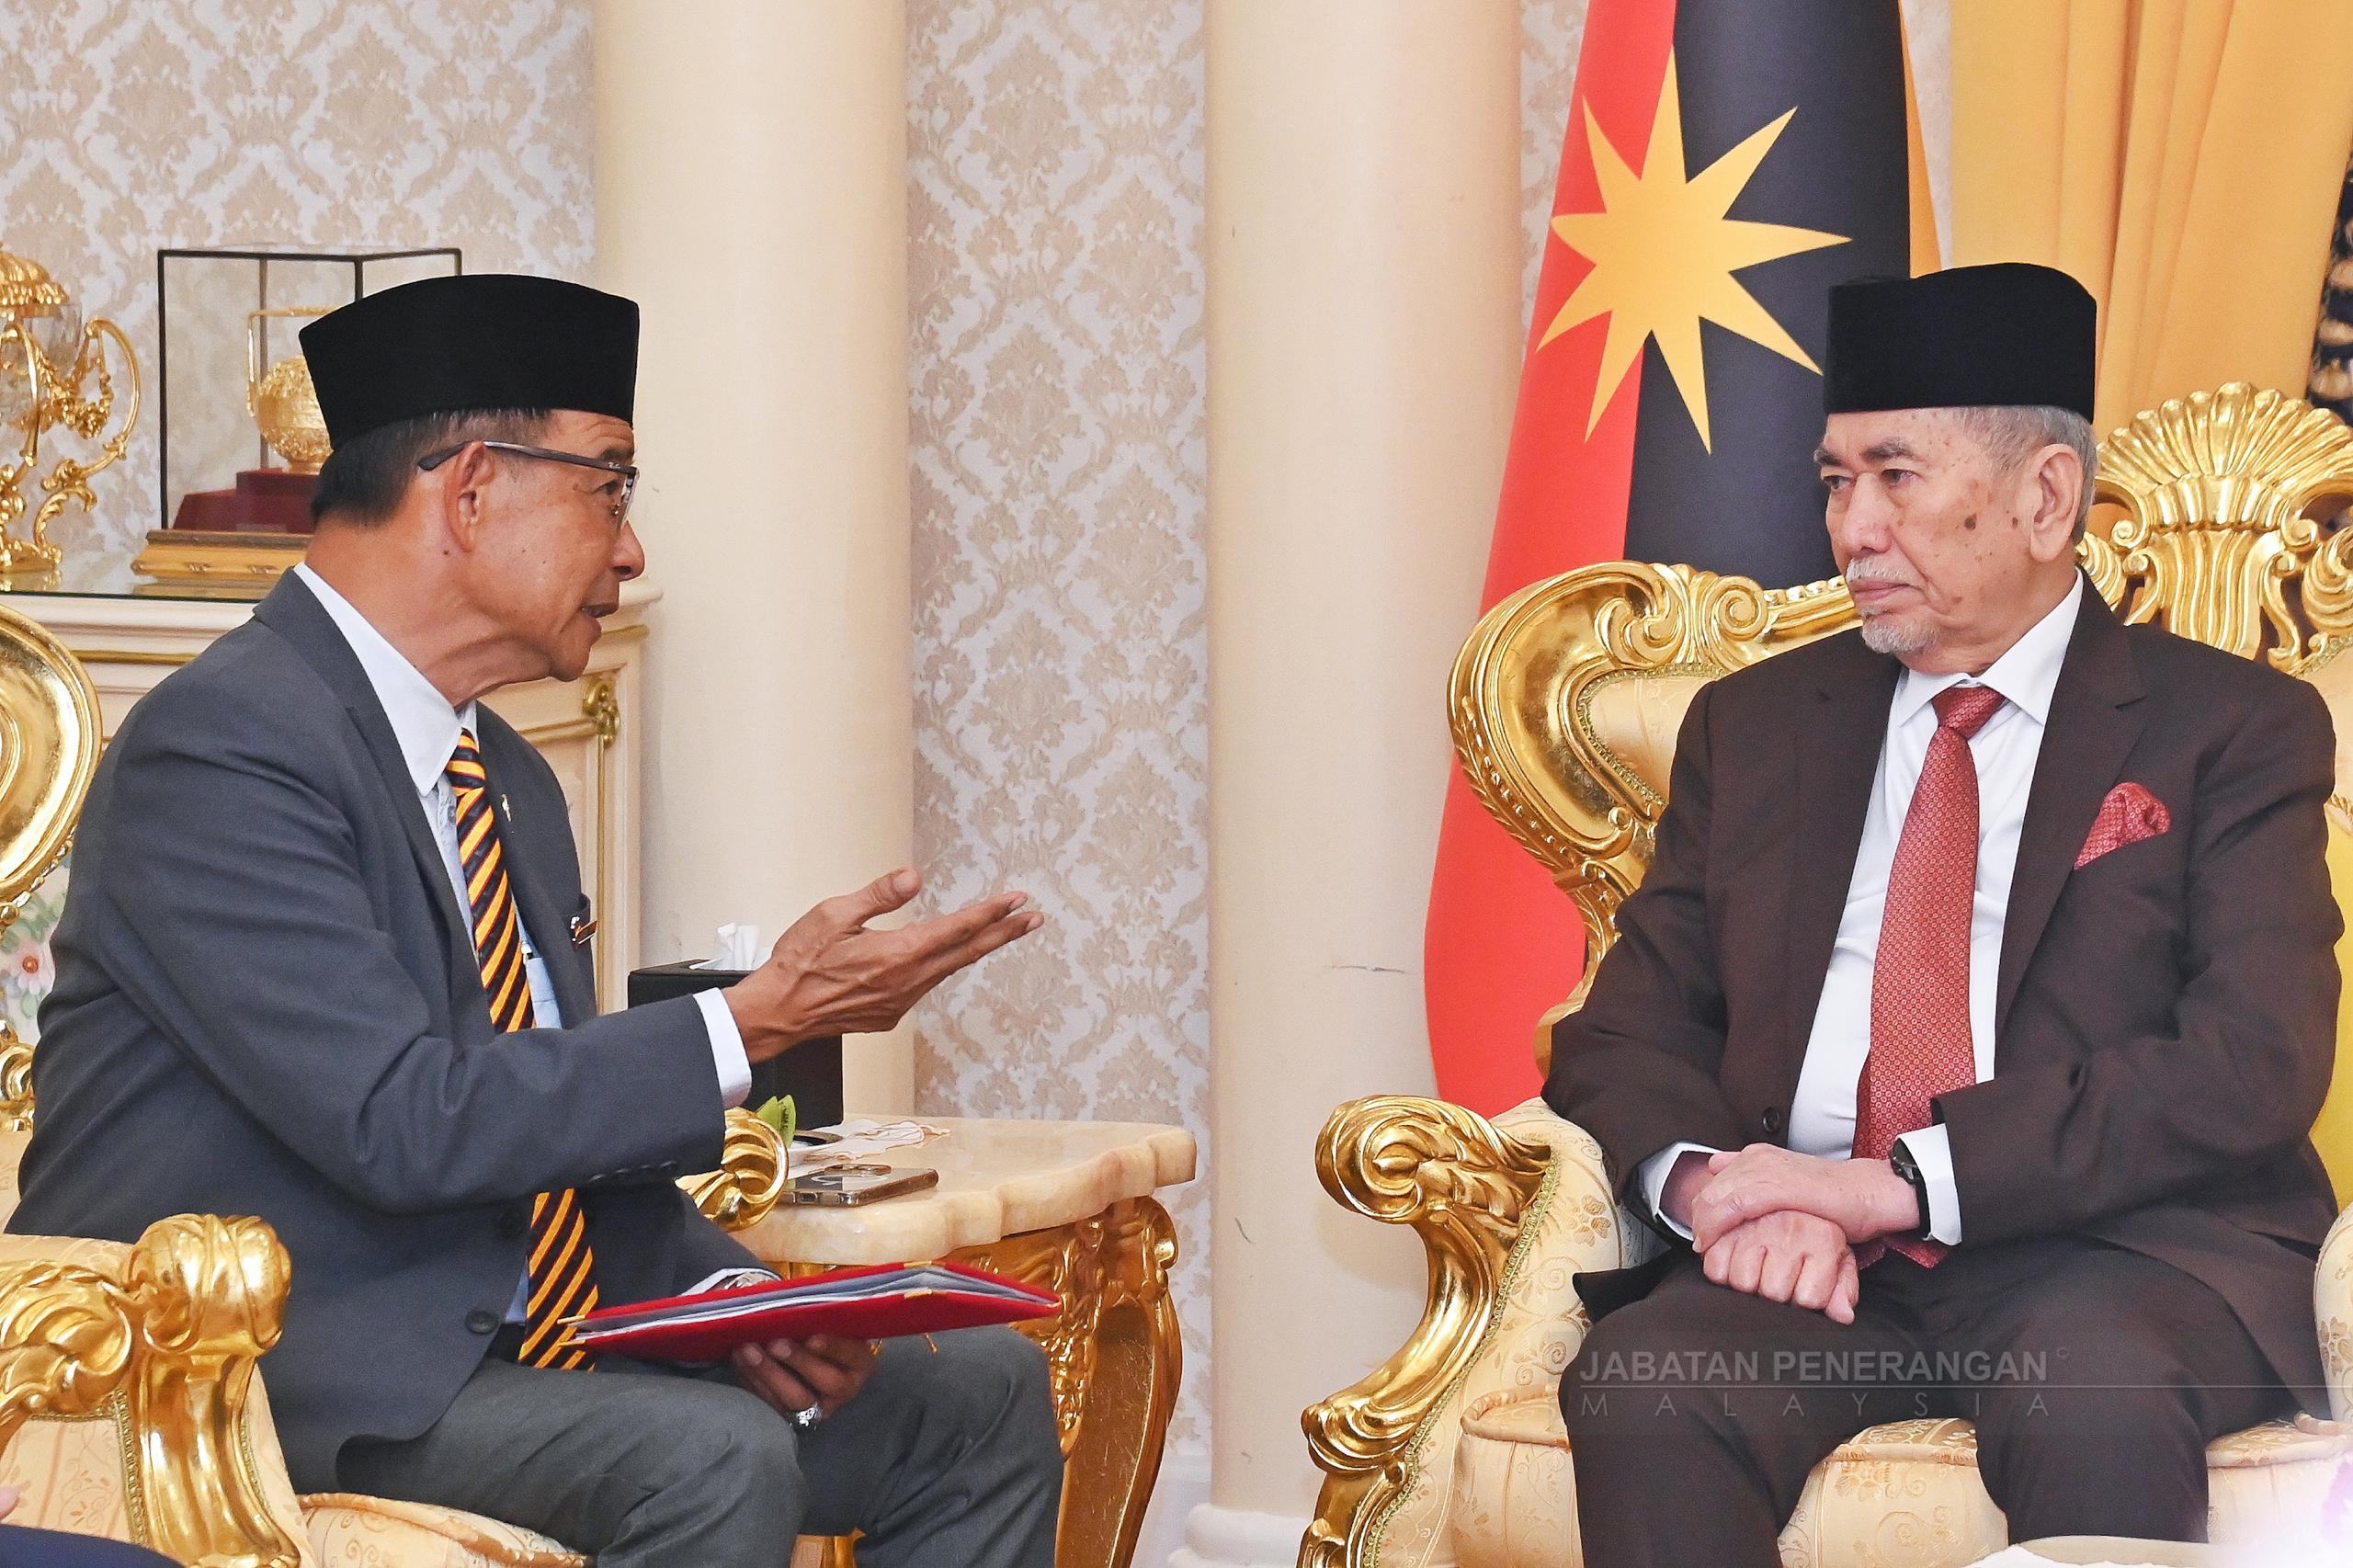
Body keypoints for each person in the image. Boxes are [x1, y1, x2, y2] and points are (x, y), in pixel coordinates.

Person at [8, 274, 1065, 1566]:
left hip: (499, 1341)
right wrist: (751, 1022)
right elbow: (404, 1120)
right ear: (469, 490)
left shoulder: (504, 772)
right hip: (270, 1371)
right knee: (708, 1459)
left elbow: (550, 1141)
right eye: (610, 490)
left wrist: (739, 1301)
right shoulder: (224, 751)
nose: (632, 550)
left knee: (979, 1395)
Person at [1549, 263, 2339, 1565]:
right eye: (1833, 482)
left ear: (2046, 498)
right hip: (1807, 1266)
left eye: (1896, 477)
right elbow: (1626, 1027)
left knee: (2093, 1390)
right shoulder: (1756, 727)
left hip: (2115, 1256)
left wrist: (1897, 1186)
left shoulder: (2231, 730)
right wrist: (1731, 1194)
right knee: (1649, 1387)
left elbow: (2248, 1061)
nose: (1853, 528)